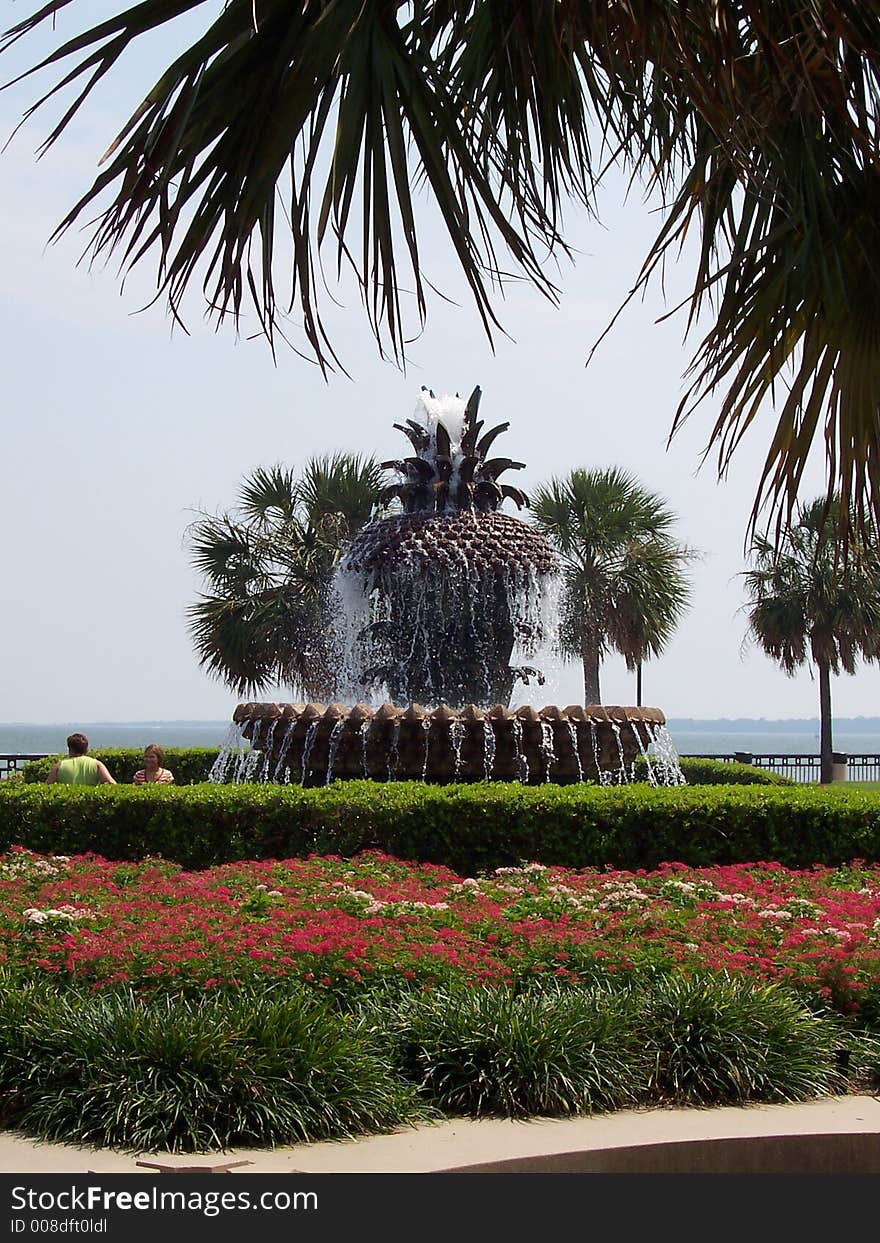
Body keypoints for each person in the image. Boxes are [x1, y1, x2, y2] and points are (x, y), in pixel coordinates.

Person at [46, 733, 116, 785]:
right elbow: (111, 783)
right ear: (86, 749)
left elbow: (47, 786)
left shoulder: (59, 766)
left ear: (70, 749)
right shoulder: (97, 764)